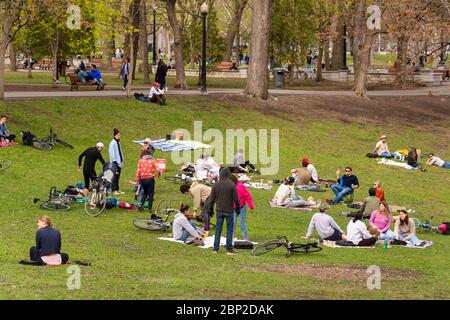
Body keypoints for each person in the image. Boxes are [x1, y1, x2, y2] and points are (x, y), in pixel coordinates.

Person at [208, 167, 240, 255]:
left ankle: (215, 248)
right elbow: (236, 199)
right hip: (229, 210)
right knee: (229, 230)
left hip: (219, 210)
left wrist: (210, 209)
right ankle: (229, 249)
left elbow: (211, 199)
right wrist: (238, 209)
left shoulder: (216, 185)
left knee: (218, 229)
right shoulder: (231, 185)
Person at [231, 174, 255, 241]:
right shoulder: (228, 187)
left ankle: (245, 239)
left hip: (241, 207)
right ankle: (231, 238)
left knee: (242, 224)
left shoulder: (240, 186)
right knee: (233, 223)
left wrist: (251, 206)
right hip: (233, 208)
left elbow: (247, 196)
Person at [109, 129, 125, 195]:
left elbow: (120, 152)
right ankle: (113, 190)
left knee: (117, 177)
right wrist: (114, 162)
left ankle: (117, 189)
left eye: (120, 134)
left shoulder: (118, 143)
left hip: (119, 163)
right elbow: (112, 153)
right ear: (115, 135)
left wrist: (122, 160)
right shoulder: (112, 143)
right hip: (115, 163)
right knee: (114, 177)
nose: (119, 136)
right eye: (118, 135)